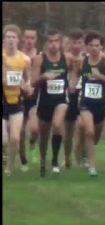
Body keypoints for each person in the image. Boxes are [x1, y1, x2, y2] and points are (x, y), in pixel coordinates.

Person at [73, 31, 105, 177]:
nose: (94, 48)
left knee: (95, 137)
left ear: (102, 47)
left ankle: (85, 152)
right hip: (85, 102)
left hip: (101, 105)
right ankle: (92, 167)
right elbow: (75, 75)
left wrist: (100, 76)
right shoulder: (82, 61)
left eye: (97, 45)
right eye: (91, 45)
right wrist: (72, 85)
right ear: (86, 47)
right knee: (89, 132)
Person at [31, 29, 74, 177]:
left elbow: (74, 71)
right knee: (44, 135)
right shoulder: (39, 59)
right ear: (46, 43)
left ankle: (55, 160)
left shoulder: (67, 58)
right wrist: (43, 76)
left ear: (60, 43)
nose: (54, 45)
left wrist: (73, 83)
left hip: (61, 99)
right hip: (44, 101)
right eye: (51, 41)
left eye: (56, 41)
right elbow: (32, 82)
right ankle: (43, 160)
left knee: (57, 124)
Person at [3, 24, 32, 175]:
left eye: (13, 37)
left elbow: (28, 79)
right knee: (4, 140)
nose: (10, 40)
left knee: (15, 138)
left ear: (18, 40)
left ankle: (9, 167)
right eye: (8, 37)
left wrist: (27, 86)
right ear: (4, 39)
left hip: (17, 102)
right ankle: (5, 156)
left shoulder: (25, 59)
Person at [63, 28, 85, 169]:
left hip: (82, 93)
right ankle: (67, 158)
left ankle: (79, 154)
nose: (76, 46)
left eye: (79, 42)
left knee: (83, 126)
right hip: (68, 94)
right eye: (74, 42)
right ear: (69, 43)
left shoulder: (87, 58)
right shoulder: (64, 57)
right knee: (68, 129)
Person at [20, 28, 39, 169]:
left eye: (32, 38)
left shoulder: (40, 56)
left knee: (34, 129)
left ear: (36, 39)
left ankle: (32, 144)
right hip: (19, 96)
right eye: (27, 37)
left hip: (34, 97)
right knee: (19, 130)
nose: (29, 41)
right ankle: (23, 159)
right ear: (23, 39)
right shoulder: (17, 55)